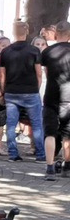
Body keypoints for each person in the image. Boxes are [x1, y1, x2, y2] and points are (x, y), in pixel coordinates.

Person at [0, 20, 45, 163]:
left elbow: (2, 75)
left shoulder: (6, 51)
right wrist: (36, 88)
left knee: (11, 124)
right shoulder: (34, 51)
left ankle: (13, 154)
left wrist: (3, 92)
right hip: (30, 91)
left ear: (14, 32)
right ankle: (40, 154)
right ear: (27, 31)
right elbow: (39, 74)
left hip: (12, 91)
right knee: (36, 124)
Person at [41, 20, 70, 179]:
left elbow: (46, 72)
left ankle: (50, 168)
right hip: (68, 96)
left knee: (50, 133)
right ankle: (67, 166)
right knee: (67, 134)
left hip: (51, 95)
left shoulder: (47, 52)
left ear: (56, 34)